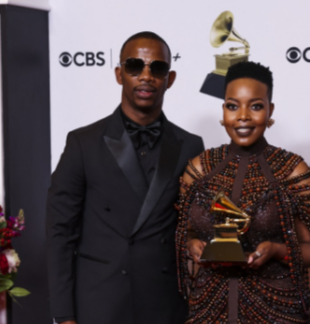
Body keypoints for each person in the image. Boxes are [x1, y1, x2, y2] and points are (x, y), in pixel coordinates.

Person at [46, 31, 204, 324]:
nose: (146, 76)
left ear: (169, 79)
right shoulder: (83, 142)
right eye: (135, 66)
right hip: (100, 301)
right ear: (120, 74)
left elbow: (195, 225)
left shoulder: (191, 146)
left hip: (165, 302)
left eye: (157, 68)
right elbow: (60, 233)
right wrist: (64, 314)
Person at [175, 61, 310, 324]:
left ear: (270, 110)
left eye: (255, 106)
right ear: (223, 111)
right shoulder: (198, 170)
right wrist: (191, 246)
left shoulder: (291, 171)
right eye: (233, 106)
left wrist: (278, 250)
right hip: (207, 311)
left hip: (277, 312)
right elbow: (186, 233)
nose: (243, 115)